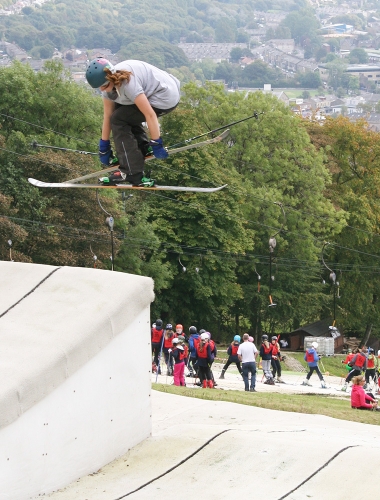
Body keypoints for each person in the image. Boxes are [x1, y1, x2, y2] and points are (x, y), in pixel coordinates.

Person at [85, 58, 180, 186]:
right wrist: (104, 146)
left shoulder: (128, 84)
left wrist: (157, 142)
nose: (102, 90)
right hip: (159, 89)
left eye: (104, 86)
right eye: (99, 88)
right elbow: (107, 116)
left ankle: (132, 172)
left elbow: (149, 114)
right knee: (118, 112)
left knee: (118, 119)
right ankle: (141, 147)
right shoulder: (110, 84)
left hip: (165, 97)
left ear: (111, 78)